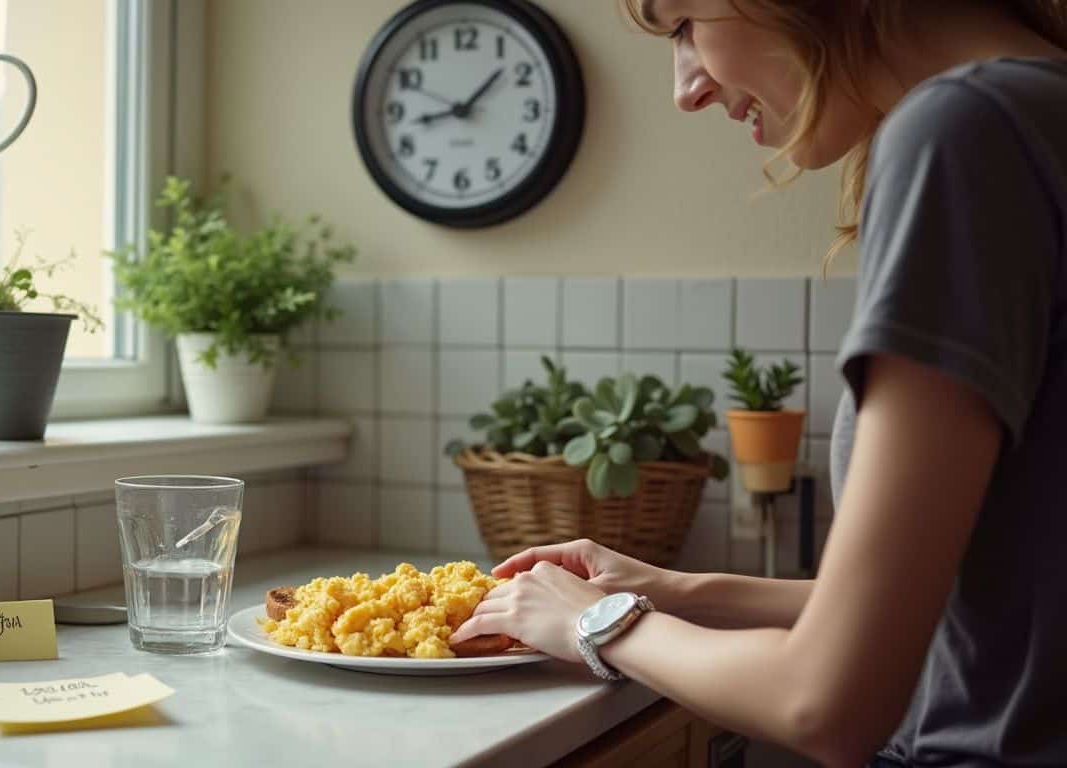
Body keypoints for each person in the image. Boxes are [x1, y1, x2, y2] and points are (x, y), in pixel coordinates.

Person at [447, 1, 1067, 764]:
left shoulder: (966, 131)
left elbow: (826, 703)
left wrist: (601, 622)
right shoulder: (1040, 110)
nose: (686, 88)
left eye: (681, 23)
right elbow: (970, 607)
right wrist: (674, 591)